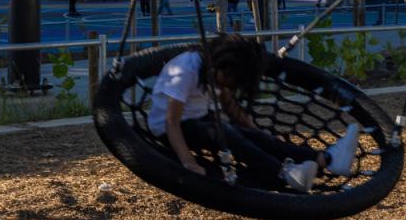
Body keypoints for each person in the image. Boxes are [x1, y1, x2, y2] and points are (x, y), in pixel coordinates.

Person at [151, 33, 362, 193]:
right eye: (228, 82)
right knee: (227, 133)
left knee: (249, 135)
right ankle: (283, 173)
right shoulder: (186, 69)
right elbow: (171, 122)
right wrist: (188, 162)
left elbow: (230, 107)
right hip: (170, 131)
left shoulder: (220, 72)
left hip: (202, 122)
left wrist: (259, 133)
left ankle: (328, 159)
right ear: (221, 66)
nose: (227, 87)